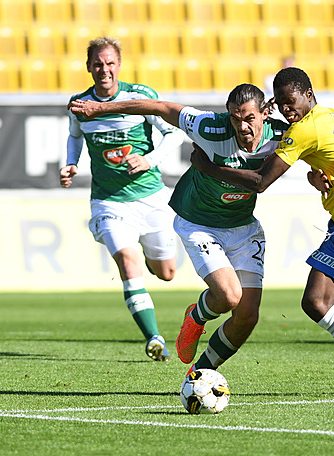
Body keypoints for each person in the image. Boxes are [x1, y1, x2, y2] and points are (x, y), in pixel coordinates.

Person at [190, 67, 334, 399]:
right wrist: (319, 175)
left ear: (308, 94)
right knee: (315, 301)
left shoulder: (303, 130)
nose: (285, 109)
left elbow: (261, 181)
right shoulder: (331, 116)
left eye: (290, 101)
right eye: (279, 104)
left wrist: (208, 167)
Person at [68, 83, 290, 376]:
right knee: (228, 296)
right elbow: (159, 107)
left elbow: (317, 150)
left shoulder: (283, 136)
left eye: (249, 118)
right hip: (200, 223)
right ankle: (196, 317)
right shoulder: (209, 127)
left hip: (243, 226)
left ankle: (199, 373)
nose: (242, 127)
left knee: (247, 317)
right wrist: (101, 108)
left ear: (264, 114)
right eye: (235, 119)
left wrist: (321, 175)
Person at [60, 36, 184, 361]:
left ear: (119, 65)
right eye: (98, 63)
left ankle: (143, 247)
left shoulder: (141, 97)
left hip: (151, 199)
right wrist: (71, 163)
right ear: (88, 67)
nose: (104, 69)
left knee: (167, 272)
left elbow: (174, 134)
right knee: (127, 262)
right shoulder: (79, 105)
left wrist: (149, 160)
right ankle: (154, 337)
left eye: (110, 62)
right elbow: (74, 137)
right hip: (108, 201)